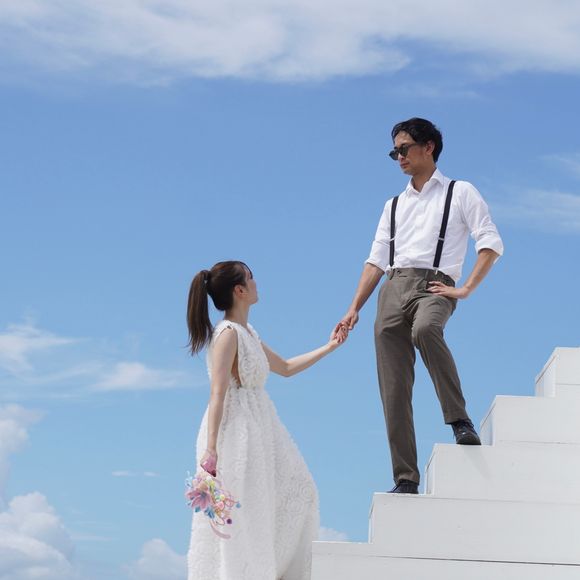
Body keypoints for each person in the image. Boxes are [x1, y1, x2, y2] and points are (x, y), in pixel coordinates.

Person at [336, 118, 503, 495]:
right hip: (392, 288)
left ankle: (459, 419)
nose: (399, 157)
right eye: (394, 151)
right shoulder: (393, 205)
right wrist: (353, 308)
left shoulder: (460, 192)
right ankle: (406, 478)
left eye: (404, 148)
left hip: (435, 286)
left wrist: (467, 288)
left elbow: (490, 243)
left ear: (428, 147)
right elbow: (376, 260)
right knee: (393, 388)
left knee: (426, 329)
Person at [186, 260, 346, 580]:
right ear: (239, 290)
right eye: (250, 277)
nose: (256, 282)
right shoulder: (227, 334)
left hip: (262, 426)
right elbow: (218, 393)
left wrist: (330, 346)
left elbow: (285, 367)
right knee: (247, 515)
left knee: (300, 490)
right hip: (236, 431)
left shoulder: (248, 333)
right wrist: (211, 449)